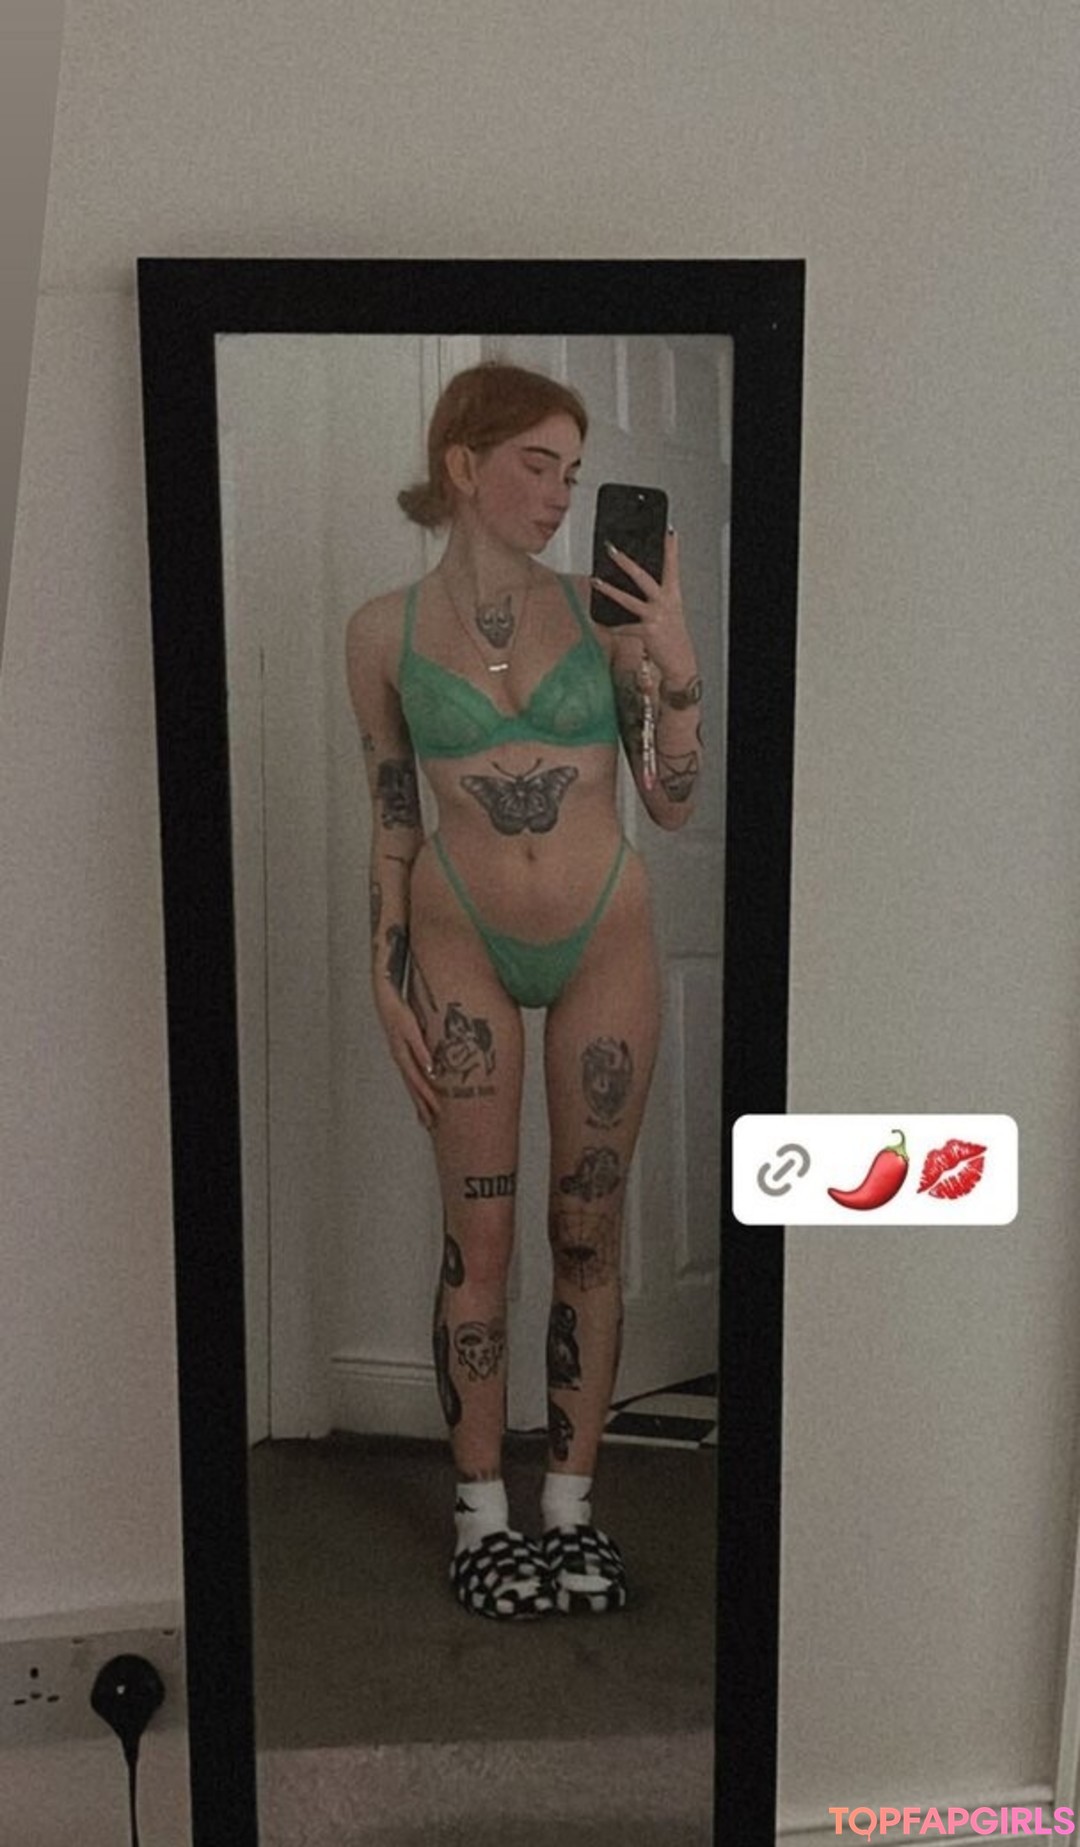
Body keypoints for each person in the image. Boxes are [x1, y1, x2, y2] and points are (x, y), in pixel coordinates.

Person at [345, 360, 703, 1620]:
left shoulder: (604, 617)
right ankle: (483, 1517)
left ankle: (572, 1509)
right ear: (463, 463)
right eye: (535, 463)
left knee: (586, 1230)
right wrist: (383, 967)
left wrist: (675, 669)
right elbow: (395, 819)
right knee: (480, 1239)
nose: (560, 493)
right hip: (459, 944)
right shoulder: (380, 633)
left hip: (604, 934)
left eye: (572, 469)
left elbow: (671, 800)